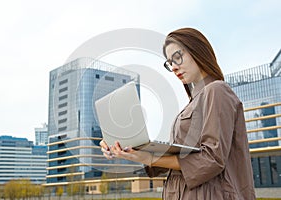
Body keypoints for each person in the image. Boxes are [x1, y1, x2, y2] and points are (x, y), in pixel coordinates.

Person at [100, 27, 256, 199]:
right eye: (170, 63)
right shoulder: (194, 102)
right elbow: (181, 158)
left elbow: (212, 159)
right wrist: (128, 149)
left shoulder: (216, 90)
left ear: (197, 50)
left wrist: (147, 158)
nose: (174, 67)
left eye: (178, 57)